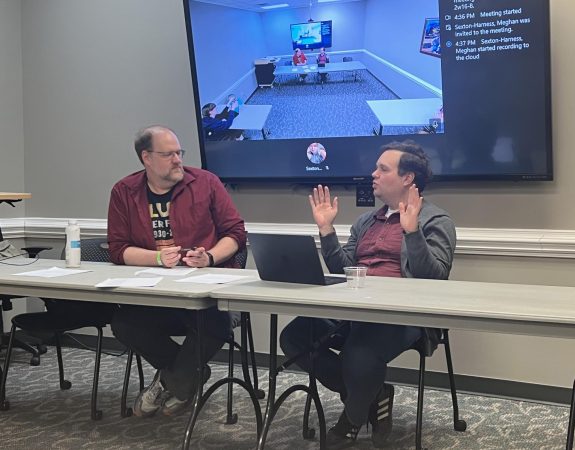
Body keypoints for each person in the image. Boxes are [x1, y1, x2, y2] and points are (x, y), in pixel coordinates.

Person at [279, 140, 456, 448]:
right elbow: (344, 267)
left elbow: (435, 278)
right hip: (353, 309)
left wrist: (412, 232)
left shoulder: (436, 220)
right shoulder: (366, 221)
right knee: (294, 337)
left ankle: (351, 420)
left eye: (382, 169)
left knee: (358, 353)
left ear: (407, 178)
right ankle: (373, 393)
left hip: (402, 316)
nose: (373, 174)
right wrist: (326, 230)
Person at [108, 125, 246, 417]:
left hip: (206, 296)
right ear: (146, 158)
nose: (177, 160)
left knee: (216, 326)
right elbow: (118, 249)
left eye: (179, 153)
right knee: (123, 323)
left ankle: (173, 381)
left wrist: (209, 257)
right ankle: (189, 374)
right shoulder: (124, 191)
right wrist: (156, 258)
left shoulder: (206, 183)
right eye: (168, 154)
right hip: (157, 293)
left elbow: (236, 233)